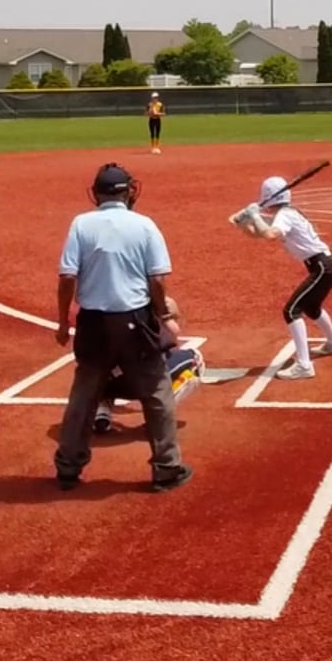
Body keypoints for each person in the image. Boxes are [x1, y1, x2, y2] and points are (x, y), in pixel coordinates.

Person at [54, 163, 190, 492]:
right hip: (136, 322)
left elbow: (67, 277)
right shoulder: (144, 225)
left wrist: (62, 322)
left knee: (83, 395)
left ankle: (68, 466)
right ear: (128, 192)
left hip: (93, 323)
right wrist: (162, 313)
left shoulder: (81, 224)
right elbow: (157, 280)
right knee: (156, 393)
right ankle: (166, 468)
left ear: (96, 194)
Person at [232, 176, 332, 380]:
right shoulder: (286, 214)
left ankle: (304, 365)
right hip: (326, 266)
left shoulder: (285, 215)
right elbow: (260, 234)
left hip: (323, 267)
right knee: (312, 307)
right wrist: (244, 223)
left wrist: (254, 215)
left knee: (292, 311)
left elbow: (269, 235)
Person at [94, 297, 204, 432]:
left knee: (97, 367)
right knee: (195, 358)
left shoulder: (109, 320)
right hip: (145, 383)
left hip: (106, 386)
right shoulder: (153, 330)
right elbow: (174, 332)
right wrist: (167, 319)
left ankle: (101, 412)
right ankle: (159, 415)